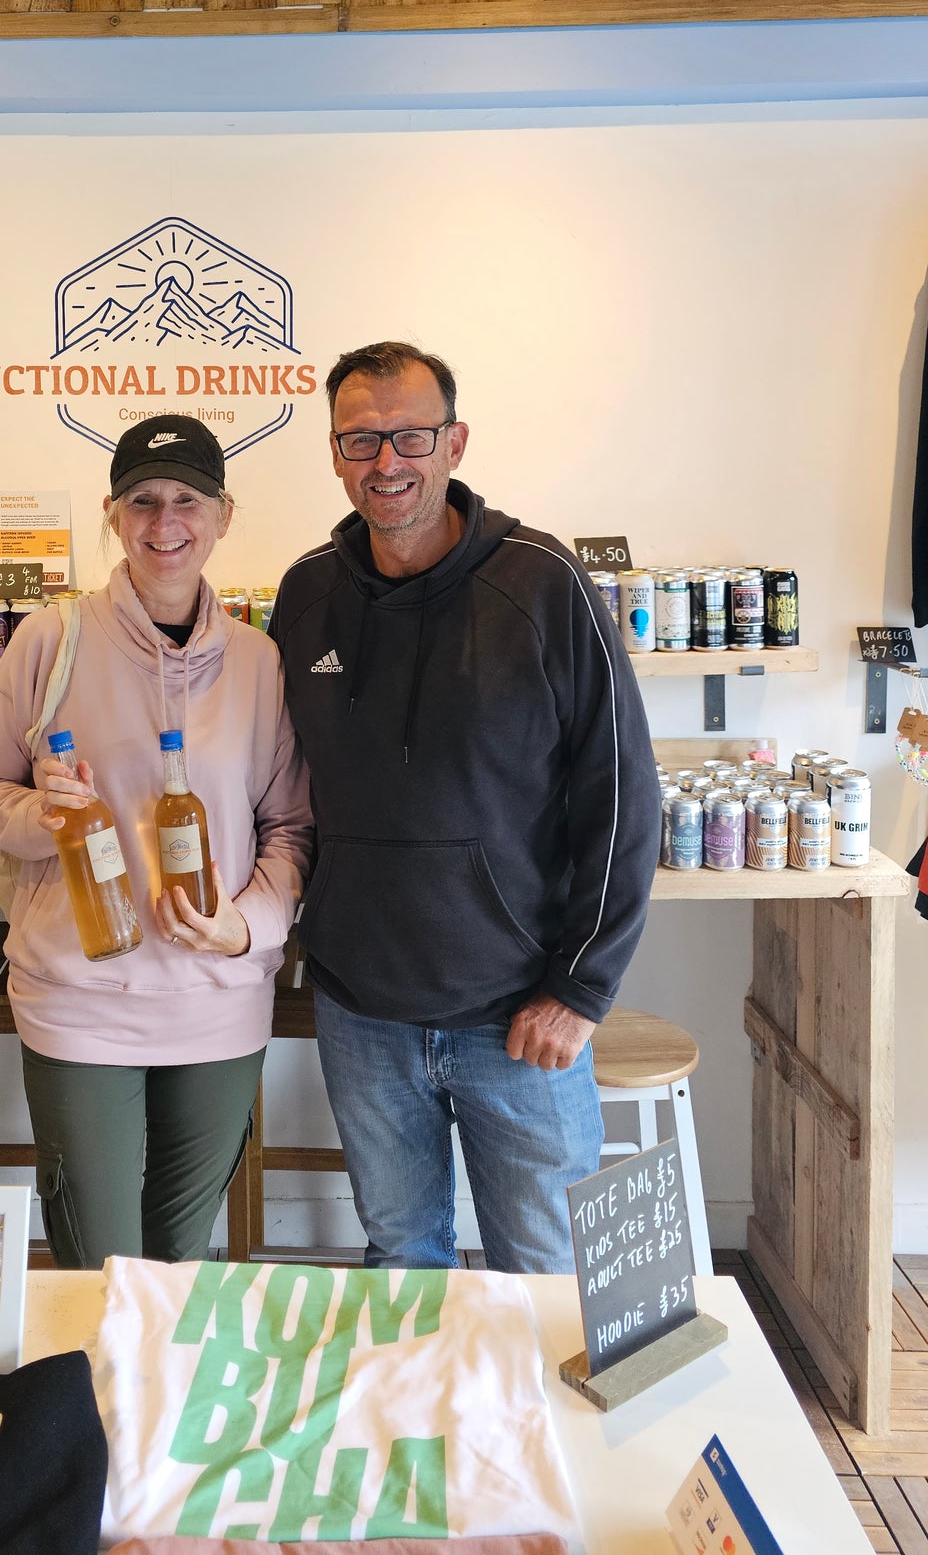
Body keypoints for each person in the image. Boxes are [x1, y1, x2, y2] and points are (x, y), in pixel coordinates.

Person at [270, 341, 660, 1273]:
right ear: (333, 453)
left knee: (548, 1272)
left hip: (517, 1012)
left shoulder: (540, 583)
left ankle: (543, 1428)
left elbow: (621, 791)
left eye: (411, 435)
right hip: (362, 1011)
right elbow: (276, 782)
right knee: (401, 1259)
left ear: (456, 441)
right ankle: (420, 1425)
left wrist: (581, 986)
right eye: (361, 441)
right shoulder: (307, 595)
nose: (387, 463)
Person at [0, 414, 311, 1270]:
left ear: (224, 515)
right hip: (82, 1004)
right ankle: (94, 1407)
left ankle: (159, 1406)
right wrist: (47, 819)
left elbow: (291, 827)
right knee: (102, 1273)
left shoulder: (262, 662)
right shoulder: (50, 642)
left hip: (218, 1005)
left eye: (187, 500)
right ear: (112, 515)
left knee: (177, 1264)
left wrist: (248, 927)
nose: (165, 524)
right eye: (142, 502)